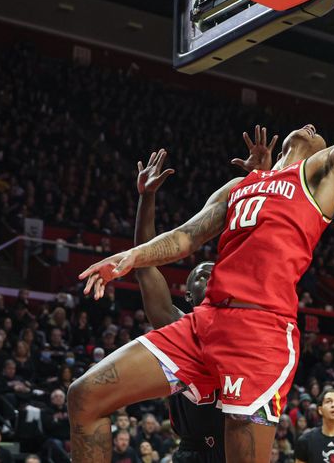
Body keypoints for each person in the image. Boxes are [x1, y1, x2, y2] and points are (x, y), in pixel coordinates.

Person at [70, 0, 334, 463]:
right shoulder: (239, 186)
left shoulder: (322, 175)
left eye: (318, 131)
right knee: (85, 396)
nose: (309, 127)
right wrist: (128, 257)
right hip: (205, 322)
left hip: (260, 332)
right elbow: (185, 237)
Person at [132, 148, 231, 463]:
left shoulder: (242, 326)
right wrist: (147, 198)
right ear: (188, 296)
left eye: (215, 273)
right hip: (192, 452)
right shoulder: (175, 323)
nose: (210, 277)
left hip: (236, 450)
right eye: (201, 276)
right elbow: (144, 264)